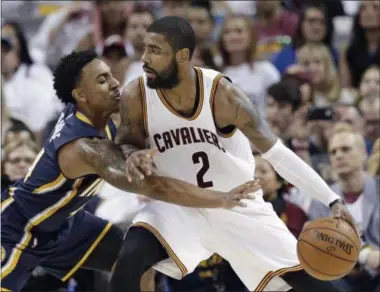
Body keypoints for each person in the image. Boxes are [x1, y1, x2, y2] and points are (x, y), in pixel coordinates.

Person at [109, 16, 358, 292]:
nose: (144, 58)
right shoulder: (136, 94)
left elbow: (278, 154)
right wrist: (131, 154)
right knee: (129, 259)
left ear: (181, 56)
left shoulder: (222, 95)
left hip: (238, 204)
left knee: (315, 283)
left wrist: (331, 199)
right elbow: (126, 141)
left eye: (155, 51)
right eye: (145, 48)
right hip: (180, 207)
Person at [0, 50, 259, 292]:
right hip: (17, 229)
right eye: (103, 80)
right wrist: (220, 199)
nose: (115, 83)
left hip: (64, 224)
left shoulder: (94, 113)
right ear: (81, 95)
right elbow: (153, 186)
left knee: (135, 257)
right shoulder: (85, 148)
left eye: (112, 75)